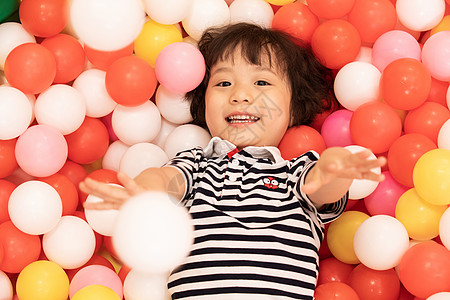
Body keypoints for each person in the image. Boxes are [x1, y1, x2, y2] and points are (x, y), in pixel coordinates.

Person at [80, 23, 385, 299]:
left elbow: (323, 187)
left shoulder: (296, 174)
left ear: (293, 109)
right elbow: (166, 181)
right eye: (224, 84)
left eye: (262, 84)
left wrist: (335, 165)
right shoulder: (196, 166)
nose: (240, 95)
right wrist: (143, 193)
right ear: (204, 103)